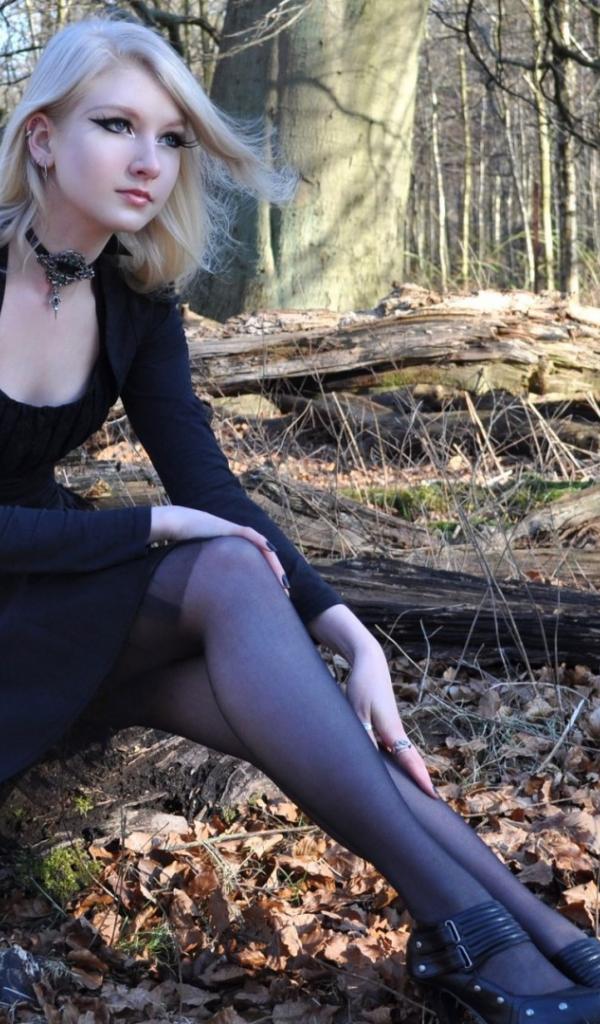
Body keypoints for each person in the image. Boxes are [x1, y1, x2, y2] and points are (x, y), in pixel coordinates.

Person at [0, 14, 598, 1022]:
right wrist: (151, 528)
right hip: (23, 591)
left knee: (260, 641)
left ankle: (534, 941)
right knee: (220, 569)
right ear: (43, 138)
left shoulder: (135, 298)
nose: (149, 161)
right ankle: (506, 946)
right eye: (116, 125)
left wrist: (347, 632)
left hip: (45, 597)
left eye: (171, 138)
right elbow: (179, 520)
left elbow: (212, 489)